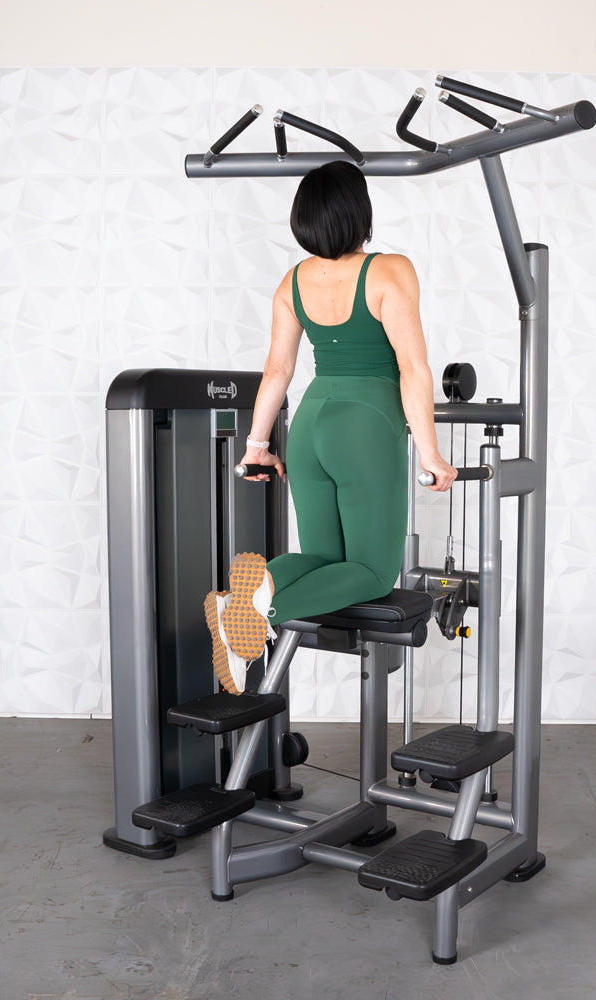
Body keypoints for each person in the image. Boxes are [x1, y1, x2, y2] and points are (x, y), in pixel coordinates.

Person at [207, 160, 456, 695]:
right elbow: (413, 367)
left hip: (311, 421)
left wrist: (256, 446)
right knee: (371, 571)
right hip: (365, 427)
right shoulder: (390, 271)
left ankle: (252, 593)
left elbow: (277, 371)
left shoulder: (292, 280)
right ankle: (254, 616)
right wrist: (432, 454)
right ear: (358, 211)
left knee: (320, 557)